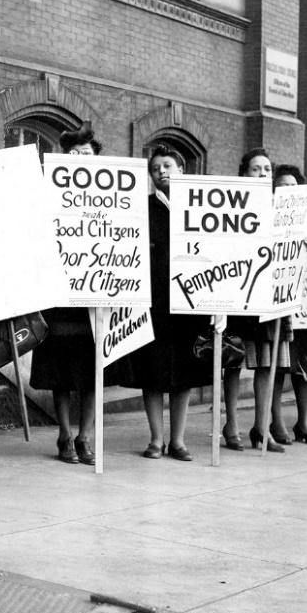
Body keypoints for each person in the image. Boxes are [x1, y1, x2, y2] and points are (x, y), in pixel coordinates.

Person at [113, 146, 210, 460]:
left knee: (184, 373)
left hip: (188, 301)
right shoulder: (142, 208)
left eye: (168, 165)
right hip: (152, 302)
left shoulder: (200, 207)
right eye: (155, 168)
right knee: (152, 372)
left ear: (182, 169)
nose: (162, 172)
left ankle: (178, 440)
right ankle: (156, 438)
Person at [30, 121, 100, 465]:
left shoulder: (112, 197)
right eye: (73, 154)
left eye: (86, 154)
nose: (80, 159)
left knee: (92, 371)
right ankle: (64, 433)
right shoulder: (48, 192)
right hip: (60, 295)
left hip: (97, 295)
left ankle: (85, 436)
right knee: (61, 370)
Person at [223, 148, 290, 452]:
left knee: (265, 363)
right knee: (234, 361)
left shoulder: (282, 210)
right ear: (244, 173)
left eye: (266, 170)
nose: (262, 175)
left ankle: (261, 428)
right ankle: (232, 424)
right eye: (255, 169)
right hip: (240, 292)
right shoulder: (230, 205)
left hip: (268, 294)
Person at [269, 164, 307, 446]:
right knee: (279, 363)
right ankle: (275, 420)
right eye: (282, 187)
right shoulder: (269, 217)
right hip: (280, 297)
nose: (288, 192)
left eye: (293, 186)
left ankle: (303, 422)